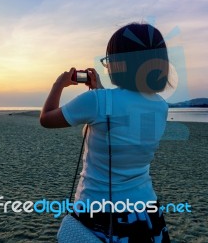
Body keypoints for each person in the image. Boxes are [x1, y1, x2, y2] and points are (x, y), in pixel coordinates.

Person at [40, 23, 171, 242]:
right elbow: (118, 122)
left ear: (121, 64)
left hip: (99, 210)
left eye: (109, 60)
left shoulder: (97, 102)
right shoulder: (161, 106)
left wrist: (59, 84)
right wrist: (99, 90)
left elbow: (46, 119)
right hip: (146, 210)